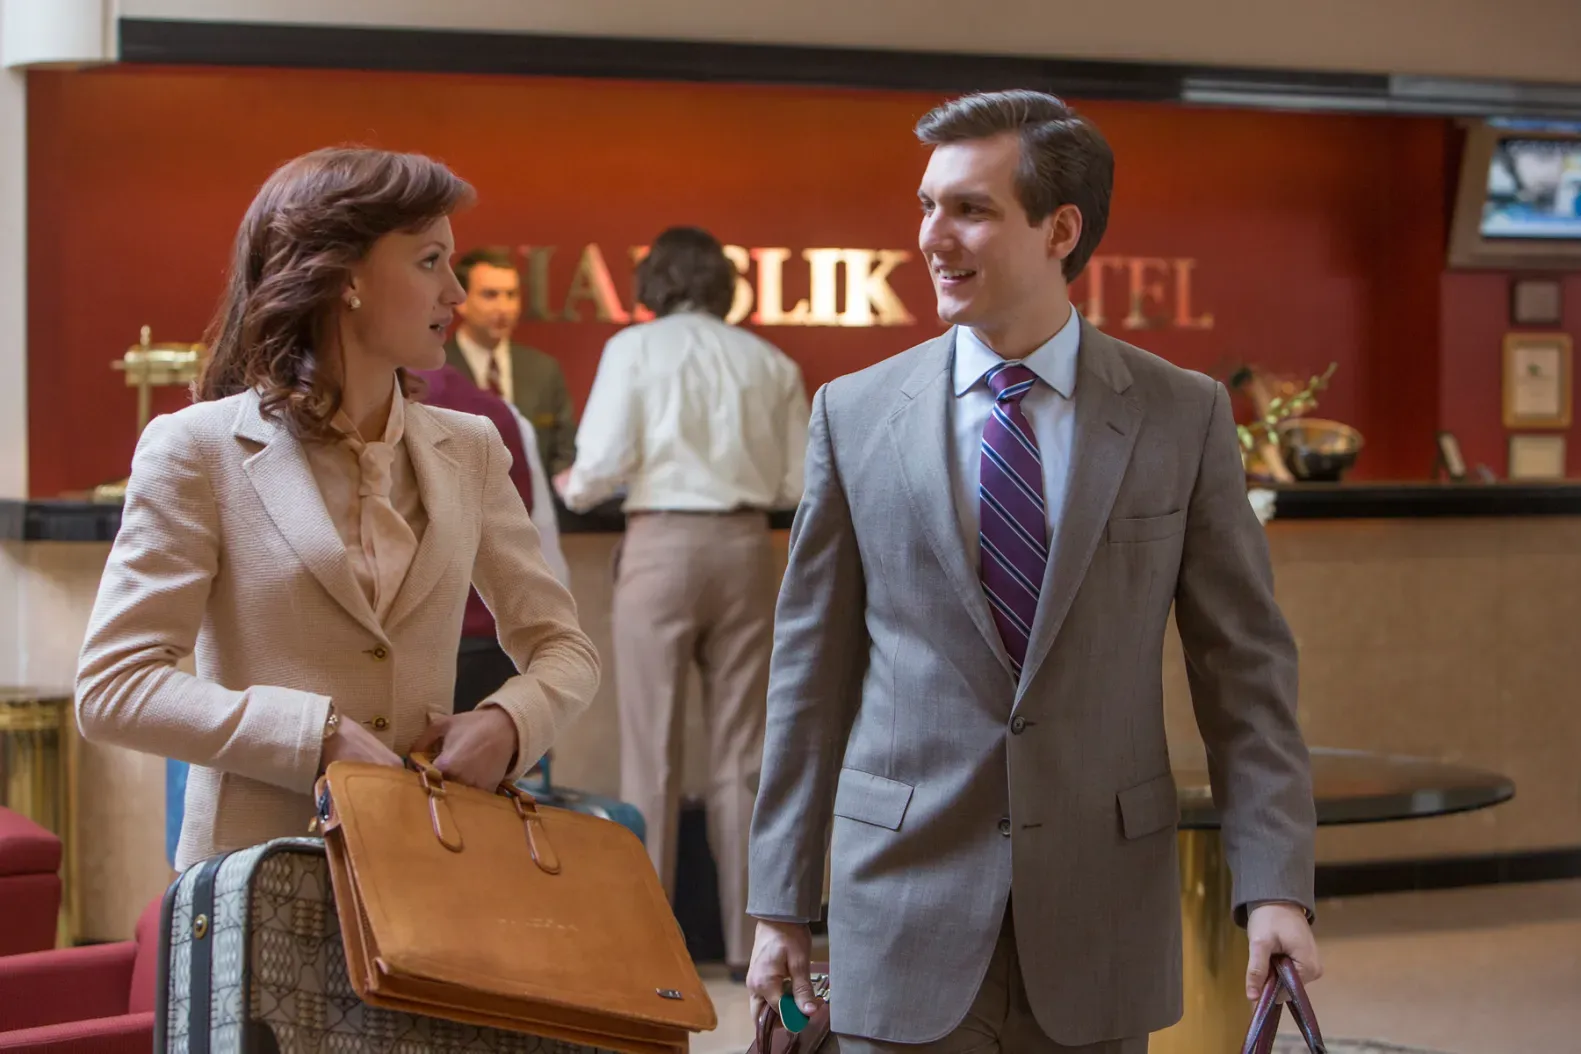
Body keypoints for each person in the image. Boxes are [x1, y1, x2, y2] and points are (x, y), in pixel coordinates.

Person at [745, 90, 1321, 1053]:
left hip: (1100, 919)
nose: (932, 236)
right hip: (903, 906)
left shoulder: (1181, 416)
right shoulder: (855, 413)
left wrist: (1275, 887)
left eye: (968, 208)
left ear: (1061, 229)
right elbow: (809, 679)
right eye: (925, 205)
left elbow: (1245, 676)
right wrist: (778, 904)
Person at [75, 148, 599, 871]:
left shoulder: (469, 448)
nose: (456, 292)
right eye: (429, 262)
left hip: (425, 871)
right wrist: (313, 736)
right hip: (258, 881)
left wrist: (509, 723)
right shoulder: (197, 449)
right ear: (345, 276)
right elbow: (115, 686)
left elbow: (565, 649)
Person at [557, 226, 809, 980]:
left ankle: (648, 944)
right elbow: (798, 485)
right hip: (745, 551)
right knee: (743, 759)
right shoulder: (771, 361)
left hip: (661, 545)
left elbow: (598, 468)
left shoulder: (633, 351)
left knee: (651, 753)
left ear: (654, 282)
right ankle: (746, 947)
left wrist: (570, 484)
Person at [406, 362, 570, 714]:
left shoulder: (478, 426)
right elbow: (536, 525)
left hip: (442, 643)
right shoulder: (496, 412)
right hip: (488, 642)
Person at [446, 246, 578, 475]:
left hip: (532, 507)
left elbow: (564, 450)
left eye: (511, 295)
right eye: (490, 295)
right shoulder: (432, 368)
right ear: (461, 301)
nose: (504, 308)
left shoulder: (543, 370)